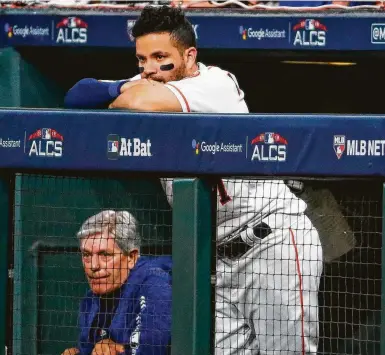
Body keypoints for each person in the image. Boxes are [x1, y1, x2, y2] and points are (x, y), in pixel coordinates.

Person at [64, 5, 324, 354]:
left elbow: (142, 102)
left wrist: (131, 92)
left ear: (189, 55)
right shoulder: (149, 81)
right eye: (142, 59)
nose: (150, 68)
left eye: (160, 57)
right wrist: (128, 84)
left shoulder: (214, 84)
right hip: (217, 260)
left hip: (269, 242)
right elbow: (77, 95)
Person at [61, 210, 172, 355]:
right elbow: (89, 349)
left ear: (132, 257)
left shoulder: (155, 283)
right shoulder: (90, 299)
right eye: (87, 255)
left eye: (105, 255)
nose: (93, 266)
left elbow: (151, 350)